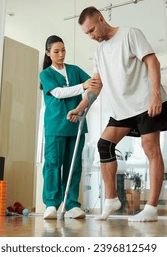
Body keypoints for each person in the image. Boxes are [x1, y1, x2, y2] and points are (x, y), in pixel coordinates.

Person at [67, 6, 167, 222]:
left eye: (92, 29)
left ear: (101, 19)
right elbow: (96, 86)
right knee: (104, 144)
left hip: (145, 102)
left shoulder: (130, 34)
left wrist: (154, 95)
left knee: (150, 149)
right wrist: (80, 107)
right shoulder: (99, 52)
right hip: (123, 108)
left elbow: (153, 62)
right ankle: (111, 200)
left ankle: (151, 209)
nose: (91, 36)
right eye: (86, 33)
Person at [40, 35, 99, 220]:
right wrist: (82, 86)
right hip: (55, 126)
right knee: (52, 165)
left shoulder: (74, 70)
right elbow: (58, 93)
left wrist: (82, 106)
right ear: (48, 53)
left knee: (73, 166)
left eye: (63, 50)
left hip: (76, 126)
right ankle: (51, 204)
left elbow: (94, 86)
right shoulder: (46, 74)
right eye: (56, 51)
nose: (61, 54)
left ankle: (72, 204)